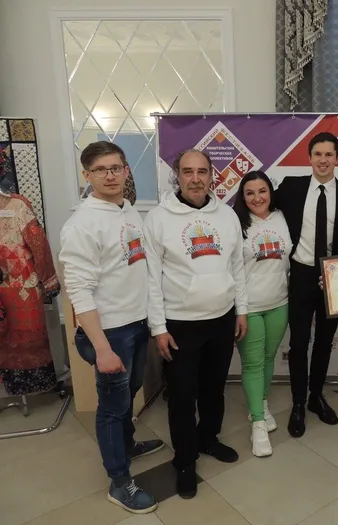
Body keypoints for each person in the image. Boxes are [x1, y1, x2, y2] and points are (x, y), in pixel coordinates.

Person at [59, 141, 163, 514]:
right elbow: (78, 291)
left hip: (135, 324)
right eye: (101, 169)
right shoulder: (81, 225)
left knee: (129, 394)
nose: (110, 175)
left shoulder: (128, 210)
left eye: (116, 167)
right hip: (110, 334)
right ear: (87, 175)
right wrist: (102, 348)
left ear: (125, 170)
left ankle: (127, 444)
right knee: (112, 408)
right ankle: (120, 482)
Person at [143, 149, 248, 499]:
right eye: (188, 172)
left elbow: (237, 266)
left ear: (211, 176)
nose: (195, 178)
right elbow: (151, 278)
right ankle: (185, 460)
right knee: (182, 397)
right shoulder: (158, 219)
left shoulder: (227, 216)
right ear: (177, 175)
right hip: (180, 324)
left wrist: (241, 310)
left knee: (214, 389)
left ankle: (208, 439)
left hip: (221, 319)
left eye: (202, 171)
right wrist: (158, 328)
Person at [275, 132, 338, 438]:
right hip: (300, 274)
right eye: (318, 154)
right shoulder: (291, 187)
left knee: (325, 341)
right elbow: (260, 203)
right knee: (298, 344)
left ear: (337, 158)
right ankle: (298, 403)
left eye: (329, 154)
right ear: (309, 157)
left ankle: (316, 397)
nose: (323, 160)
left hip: (335, 276)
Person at [233, 170, 292, 457]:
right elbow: (233, 271)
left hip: (280, 302)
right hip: (250, 308)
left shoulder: (283, 217)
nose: (257, 198)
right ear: (242, 197)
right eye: (250, 193)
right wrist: (240, 310)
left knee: (268, 358)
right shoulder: (235, 223)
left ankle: (262, 404)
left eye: (262, 191)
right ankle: (257, 424)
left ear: (271, 192)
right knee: (253, 364)